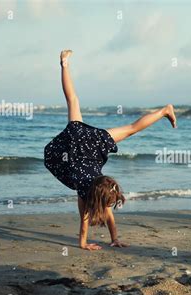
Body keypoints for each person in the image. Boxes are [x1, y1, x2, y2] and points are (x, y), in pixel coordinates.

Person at [44, 50, 177, 251]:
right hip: (79, 142)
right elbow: (85, 222)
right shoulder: (86, 190)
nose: (110, 207)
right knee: (74, 102)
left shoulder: (98, 189)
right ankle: (164, 111)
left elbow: (85, 223)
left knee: (78, 103)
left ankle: (65, 64)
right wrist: (88, 243)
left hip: (88, 143)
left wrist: (89, 242)